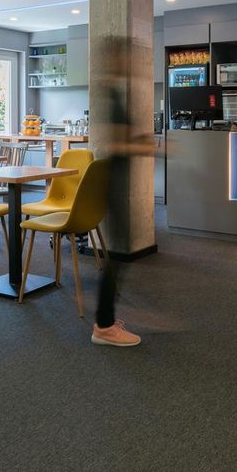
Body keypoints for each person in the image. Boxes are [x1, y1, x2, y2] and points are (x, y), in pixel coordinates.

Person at [90, 36, 156, 347]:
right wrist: (153, 148)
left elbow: (123, 139)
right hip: (114, 183)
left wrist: (141, 141)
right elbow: (117, 144)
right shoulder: (109, 94)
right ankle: (103, 327)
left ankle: (105, 320)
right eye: (125, 57)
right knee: (117, 255)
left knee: (118, 253)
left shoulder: (114, 91)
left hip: (117, 181)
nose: (131, 62)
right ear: (115, 58)